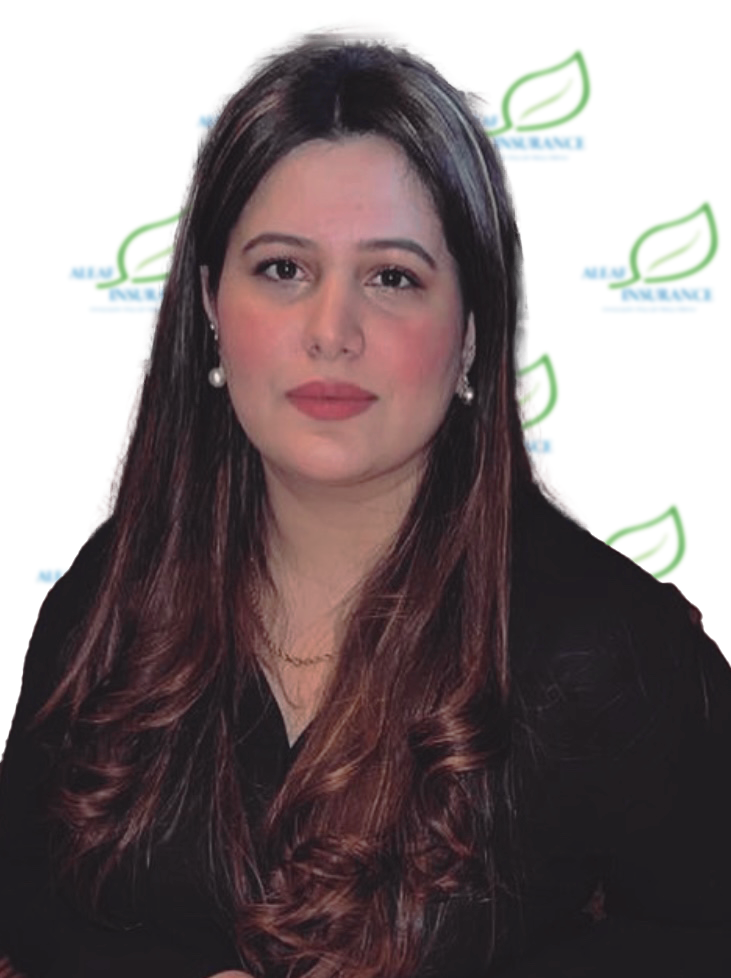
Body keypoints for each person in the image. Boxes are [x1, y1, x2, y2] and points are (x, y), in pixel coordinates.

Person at [1, 35, 729, 978]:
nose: (330, 333)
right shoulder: (111, 595)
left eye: (391, 277)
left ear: (471, 333)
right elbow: (23, 915)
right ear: (211, 310)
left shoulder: (613, 655)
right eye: (281, 270)